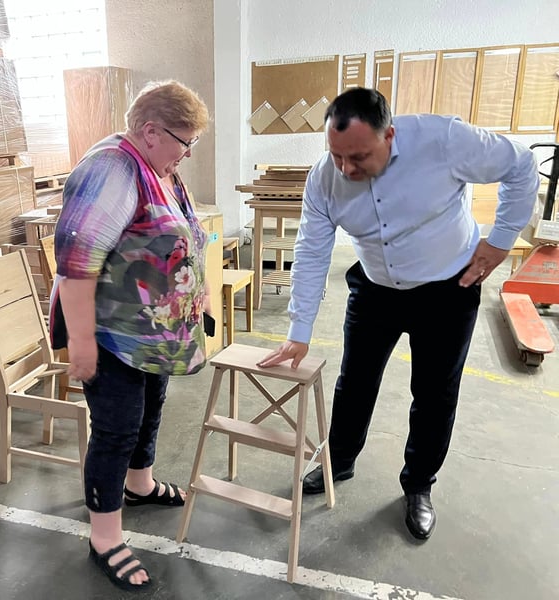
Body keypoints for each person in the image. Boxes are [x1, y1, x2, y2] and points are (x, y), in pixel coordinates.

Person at [258, 87, 539, 540]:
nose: (346, 170)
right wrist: (300, 328)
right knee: (354, 382)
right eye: (337, 156)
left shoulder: (443, 140)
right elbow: (311, 250)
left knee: (434, 393)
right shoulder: (324, 178)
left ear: (389, 135)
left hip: (448, 288)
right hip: (375, 289)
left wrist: (501, 240)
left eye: (359, 157)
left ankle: (418, 485)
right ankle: (338, 462)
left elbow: (521, 164)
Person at [49, 80, 211, 590]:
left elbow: (180, 237)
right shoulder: (111, 170)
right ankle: (104, 538)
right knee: (116, 428)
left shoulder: (159, 169)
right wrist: (81, 343)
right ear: (150, 131)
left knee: (149, 410)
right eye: (185, 142)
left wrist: (198, 295)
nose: (187, 153)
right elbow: (77, 263)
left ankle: (140, 485)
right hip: (111, 334)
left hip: (150, 334)